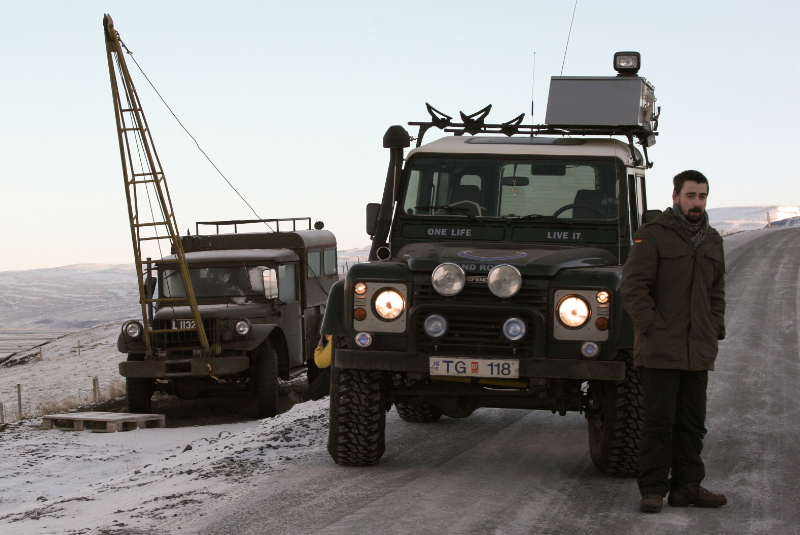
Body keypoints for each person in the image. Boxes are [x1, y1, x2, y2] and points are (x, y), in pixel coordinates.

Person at [621, 170, 728, 513]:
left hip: (697, 349)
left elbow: (717, 292)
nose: (697, 202)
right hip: (660, 348)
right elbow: (633, 286)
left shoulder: (713, 240)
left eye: (702, 196)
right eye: (691, 195)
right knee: (658, 424)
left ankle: (687, 487)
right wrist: (649, 325)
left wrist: (715, 326)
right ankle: (652, 490)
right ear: (676, 197)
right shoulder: (653, 236)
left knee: (692, 424)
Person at [289, 335, 332, 404]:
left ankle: (304, 398)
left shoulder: (336, 339)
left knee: (329, 372)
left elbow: (320, 363)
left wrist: (320, 346)